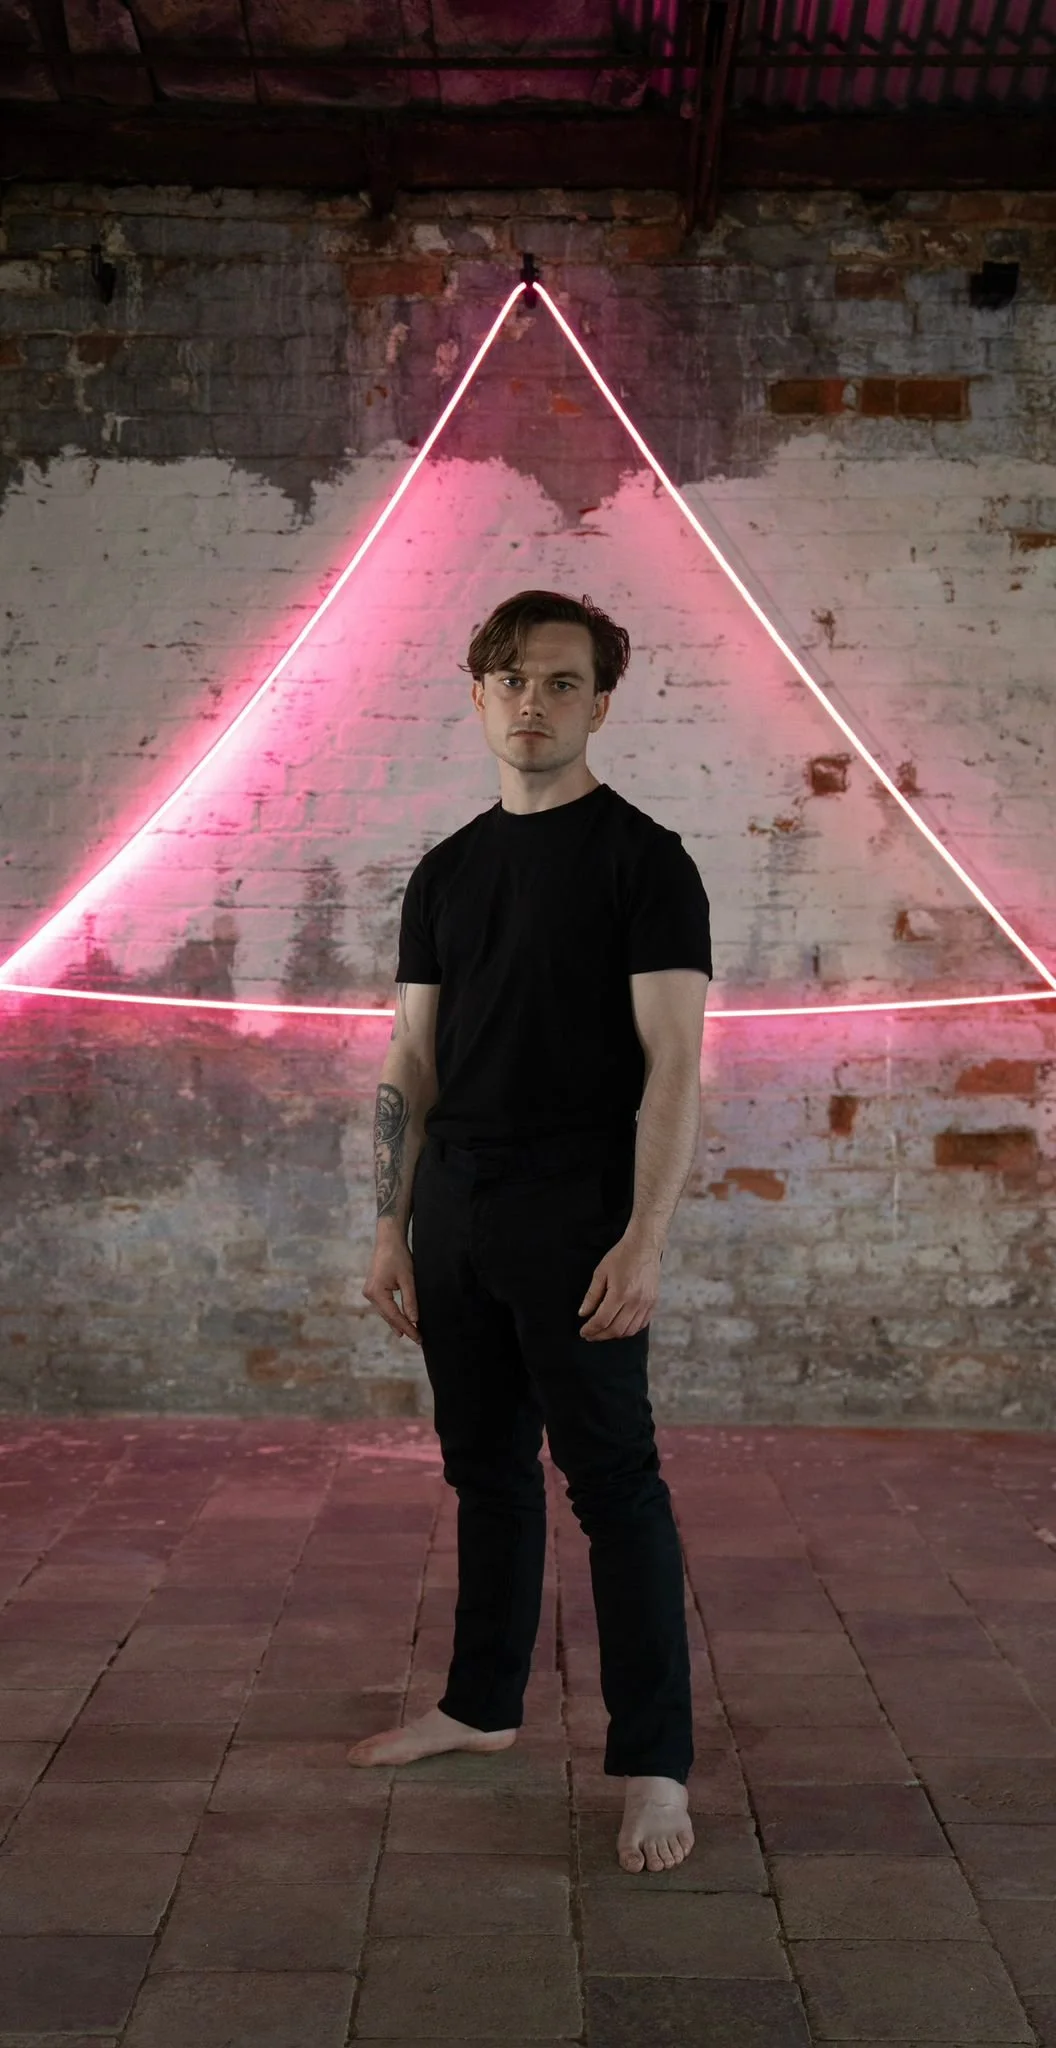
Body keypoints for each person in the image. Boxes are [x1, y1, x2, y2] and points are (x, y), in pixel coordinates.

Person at [353, 590, 711, 1875]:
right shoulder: (446, 868)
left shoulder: (645, 860)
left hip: (579, 1210)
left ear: (599, 703)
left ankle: (656, 1763)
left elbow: (676, 1062)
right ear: (478, 694)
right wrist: (391, 1224)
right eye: (511, 678)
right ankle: (482, 1703)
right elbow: (410, 1052)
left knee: (617, 1485)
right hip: (455, 1208)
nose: (533, 701)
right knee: (484, 1466)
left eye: (561, 682)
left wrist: (645, 1235)